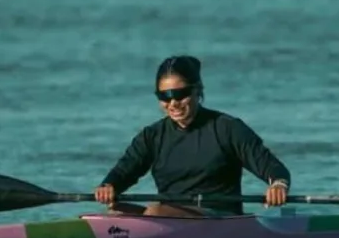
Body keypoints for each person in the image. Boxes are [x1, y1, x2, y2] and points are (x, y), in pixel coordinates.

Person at [94, 55, 290, 217]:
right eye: (164, 97)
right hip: (167, 216)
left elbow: (270, 166)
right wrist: (109, 185)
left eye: (180, 94)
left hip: (219, 218)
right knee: (113, 213)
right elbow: (125, 170)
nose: (173, 103)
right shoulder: (152, 135)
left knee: (154, 211)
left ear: (197, 91)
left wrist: (278, 185)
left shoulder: (227, 128)